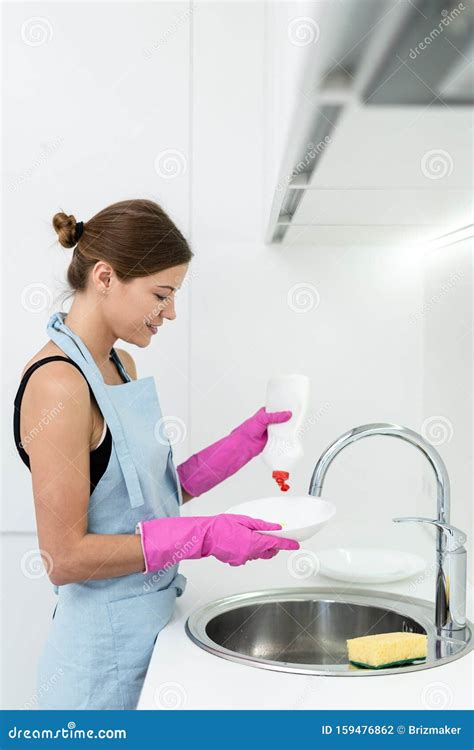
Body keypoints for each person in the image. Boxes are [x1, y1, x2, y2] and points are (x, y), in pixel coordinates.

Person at [13, 198, 300, 710]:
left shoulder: (120, 364)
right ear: (105, 277)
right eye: (161, 295)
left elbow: (146, 496)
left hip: (152, 641)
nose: (170, 312)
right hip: (96, 674)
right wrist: (203, 536)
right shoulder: (58, 384)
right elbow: (63, 557)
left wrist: (239, 446)